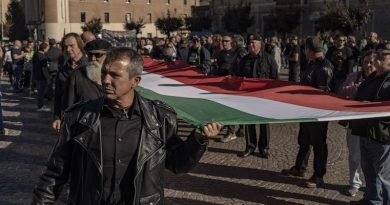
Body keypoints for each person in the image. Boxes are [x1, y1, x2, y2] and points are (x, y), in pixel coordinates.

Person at [32, 47, 222, 205]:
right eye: (104, 73)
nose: (105, 80)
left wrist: (198, 140)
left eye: (115, 75)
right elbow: (54, 174)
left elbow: (177, 164)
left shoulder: (159, 118)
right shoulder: (79, 117)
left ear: (135, 81)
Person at [281, 36, 334, 188]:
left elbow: (323, 93)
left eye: (305, 49)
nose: (304, 52)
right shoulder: (313, 64)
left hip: (318, 112)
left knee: (318, 144)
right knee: (303, 140)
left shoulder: (324, 66)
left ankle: (319, 175)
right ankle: (300, 167)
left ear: (309, 51)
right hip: (306, 110)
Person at [350, 43, 390, 205]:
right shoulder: (371, 77)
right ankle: (373, 200)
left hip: (383, 134)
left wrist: (371, 107)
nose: (380, 55)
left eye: (385, 53)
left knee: (385, 175)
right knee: (368, 170)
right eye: (378, 52)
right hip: (365, 131)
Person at [338, 51, 377, 197]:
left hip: (374, 125)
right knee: (355, 155)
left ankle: (371, 185)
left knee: (373, 156)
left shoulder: (381, 78)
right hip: (356, 122)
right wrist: (356, 87)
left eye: (371, 62)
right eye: (366, 62)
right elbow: (342, 91)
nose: (368, 65)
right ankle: (354, 183)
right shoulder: (355, 76)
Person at [233, 33, 278, 159]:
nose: (251, 45)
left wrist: (272, 96)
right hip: (249, 98)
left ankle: (264, 148)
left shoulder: (269, 59)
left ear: (260, 44)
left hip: (264, 98)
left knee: (264, 123)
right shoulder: (244, 60)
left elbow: (275, 79)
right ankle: (250, 147)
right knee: (249, 123)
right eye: (249, 43)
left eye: (253, 43)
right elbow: (238, 77)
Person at [52, 33, 88, 131]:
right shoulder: (62, 71)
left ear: (80, 45)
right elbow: (58, 96)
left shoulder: (90, 67)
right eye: (66, 46)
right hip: (68, 119)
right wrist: (57, 117)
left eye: (71, 46)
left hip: (87, 118)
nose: (68, 49)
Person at [66, 39, 112, 107]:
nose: (93, 58)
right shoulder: (76, 75)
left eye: (97, 55)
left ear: (108, 55)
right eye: (90, 54)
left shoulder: (116, 75)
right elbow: (68, 106)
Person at [32, 42, 51, 112]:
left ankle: (41, 105)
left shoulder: (36, 54)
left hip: (37, 76)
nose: (48, 49)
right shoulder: (42, 56)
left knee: (40, 92)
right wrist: (48, 78)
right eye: (47, 48)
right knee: (41, 93)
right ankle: (40, 106)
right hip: (42, 77)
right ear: (44, 48)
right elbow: (44, 68)